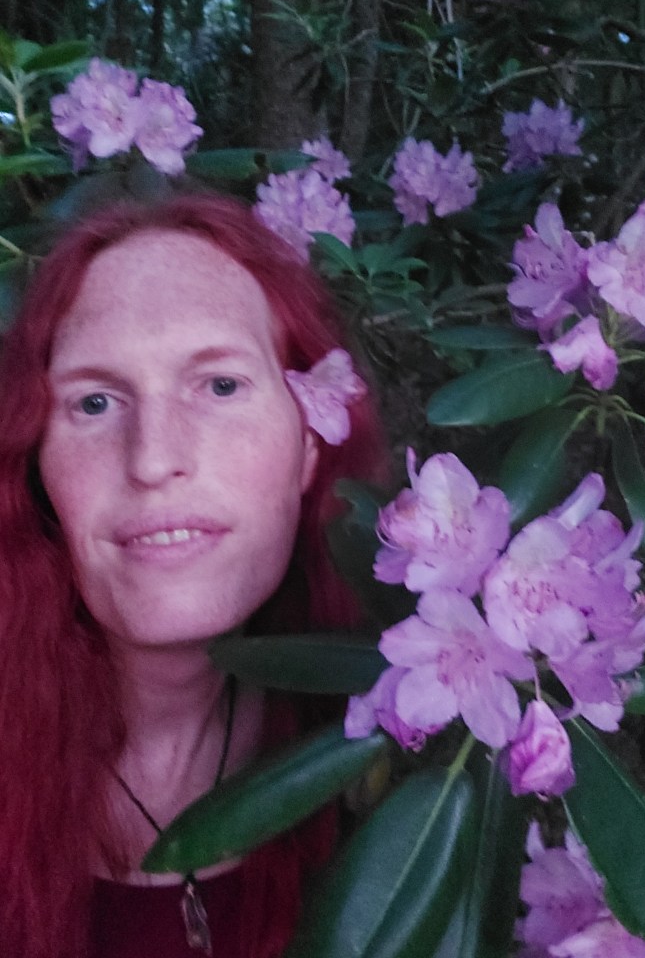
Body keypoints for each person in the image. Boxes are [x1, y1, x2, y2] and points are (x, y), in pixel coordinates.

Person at [0, 192, 387, 958]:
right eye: (95, 402)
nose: (152, 459)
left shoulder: (403, 753)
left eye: (219, 386)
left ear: (309, 446)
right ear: (37, 463)